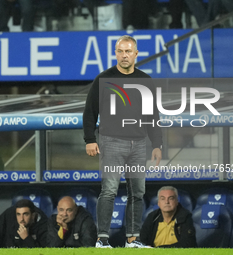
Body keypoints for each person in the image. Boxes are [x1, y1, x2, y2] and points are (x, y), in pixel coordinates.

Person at [83, 35, 162, 248]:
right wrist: (90, 139)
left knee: (137, 192)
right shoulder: (103, 78)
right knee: (109, 190)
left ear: (136, 54)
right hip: (111, 142)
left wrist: (157, 144)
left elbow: (153, 115)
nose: (124, 55)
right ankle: (102, 239)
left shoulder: (145, 80)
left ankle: (132, 240)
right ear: (115, 53)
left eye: (128, 51)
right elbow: (89, 112)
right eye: (120, 51)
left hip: (139, 144)